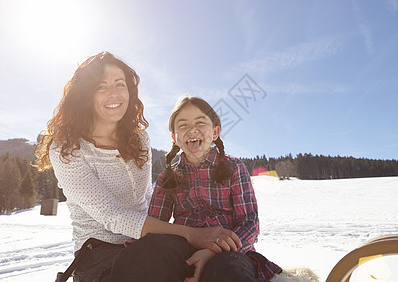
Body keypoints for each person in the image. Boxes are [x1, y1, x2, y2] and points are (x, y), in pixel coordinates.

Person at [34, 52, 241, 282]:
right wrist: (190, 234)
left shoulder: (139, 139)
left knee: (206, 267)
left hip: (148, 245)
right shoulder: (66, 148)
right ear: (86, 95)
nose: (113, 94)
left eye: (120, 84)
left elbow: (147, 199)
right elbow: (111, 216)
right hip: (100, 255)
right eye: (101, 87)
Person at [147, 95, 282, 282]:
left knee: (229, 272)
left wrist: (212, 251)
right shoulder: (167, 177)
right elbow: (155, 226)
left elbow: (250, 222)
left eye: (201, 123)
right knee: (147, 262)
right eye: (183, 125)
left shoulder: (234, 167)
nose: (192, 130)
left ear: (215, 132)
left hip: (228, 252)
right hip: (181, 249)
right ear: (174, 137)